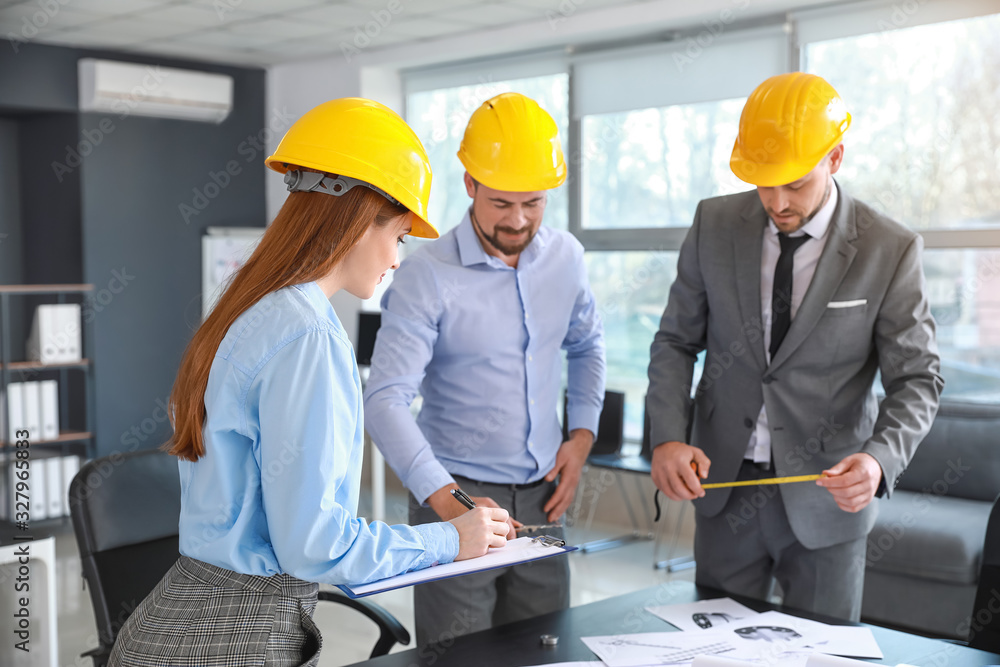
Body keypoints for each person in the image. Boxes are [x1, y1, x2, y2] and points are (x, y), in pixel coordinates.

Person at [108, 98, 510, 667]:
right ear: (357, 220)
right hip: (230, 639)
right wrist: (453, 539)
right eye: (398, 235)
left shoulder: (256, 309)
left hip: (187, 618)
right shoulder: (309, 338)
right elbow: (315, 544)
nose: (397, 258)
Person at [646, 72, 943, 621]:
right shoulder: (714, 223)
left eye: (794, 183)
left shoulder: (889, 248)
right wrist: (666, 436)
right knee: (709, 656)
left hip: (826, 503)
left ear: (835, 157)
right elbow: (674, 342)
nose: (776, 201)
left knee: (825, 657)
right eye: (763, 183)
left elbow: (918, 378)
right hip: (724, 490)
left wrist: (879, 461)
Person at [363, 92, 606, 647]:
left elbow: (587, 345)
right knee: (459, 656)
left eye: (534, 203)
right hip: (458, 492)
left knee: (545, 648)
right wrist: (448, 501)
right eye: (500, 203)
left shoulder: (566, 257)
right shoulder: (426, 274)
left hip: (544, 497)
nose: (518, 220)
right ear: (470, 183)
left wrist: (582, 436)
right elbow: (384, 400)